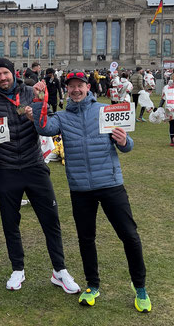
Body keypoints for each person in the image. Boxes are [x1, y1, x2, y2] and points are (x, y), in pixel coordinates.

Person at [30, 71, 151, 312]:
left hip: (110, 184)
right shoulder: (62, 118)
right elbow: (43, 127)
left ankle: (140, 288)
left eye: (80, 85)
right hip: (81, 188)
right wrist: (39, 100)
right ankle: (92, 285)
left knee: (129, 236)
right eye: (71, 86)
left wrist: (124, 141)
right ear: (67, 90)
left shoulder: (105, 111)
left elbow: (128, 147)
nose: (76, 90)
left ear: (88, 88)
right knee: (86, 239)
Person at [0, 57, 80, 293]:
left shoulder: (31, 92)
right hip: (7, 169)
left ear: (14, 73)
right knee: (10, 223)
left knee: (51, 220)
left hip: (34, 166)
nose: (3, 78)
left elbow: (47, 123)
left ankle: (60, 270)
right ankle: (17, 268)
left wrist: (39, 107)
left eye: (6, 73)